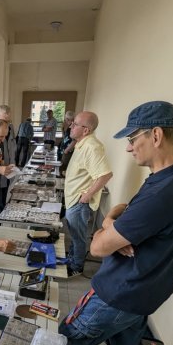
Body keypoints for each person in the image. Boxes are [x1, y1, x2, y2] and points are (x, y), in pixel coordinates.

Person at [18, 101, 173, 345]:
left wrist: (107, 228)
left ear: (156, 135)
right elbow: (122, 208)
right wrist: (117, 221)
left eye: (134, 139)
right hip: (149, 291)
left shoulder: (164, 191)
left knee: (66, 338)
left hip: (119, 290)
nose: (129, 147)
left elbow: (99, 247)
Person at [64, 111, 113, 277]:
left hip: (79, 201)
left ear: (86, 130)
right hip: (72, 199)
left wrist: (86, 195)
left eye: (75, 124)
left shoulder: (92, 146)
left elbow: (105, 175)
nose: (71, 125)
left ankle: (76, 266)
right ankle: (71, 257)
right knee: (73, 232)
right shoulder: (82, 143)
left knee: (78, 236)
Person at [0, 105, 16, 208]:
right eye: (3, 121)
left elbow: (12, 146)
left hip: (9, 170)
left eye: (7, 121)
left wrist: (13, 163)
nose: (5, 124)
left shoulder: (10, 128)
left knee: (4, 198)